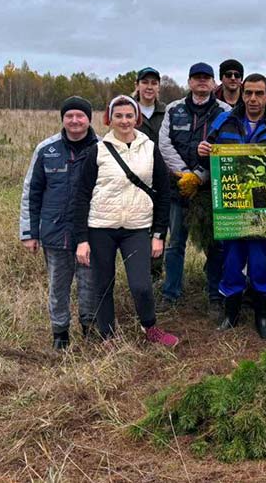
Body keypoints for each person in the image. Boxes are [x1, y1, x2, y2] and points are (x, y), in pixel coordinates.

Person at [198, 74, 266, 340]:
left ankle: (262, 316)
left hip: (263, 209)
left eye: (259, 93)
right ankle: (230, 314)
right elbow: (206, 155)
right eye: (249, 93)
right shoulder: (224, 121)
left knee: (260, 263)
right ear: (242, 95)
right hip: (231, 206)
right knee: (231, 262)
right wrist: (200, 151)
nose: (253, 99)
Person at [73, 95, 178, 346]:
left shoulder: (149, 148)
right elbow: (81, 196)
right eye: (118, 116)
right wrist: (82, 240)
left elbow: (164, 193)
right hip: (101, 228)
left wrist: (158, 235)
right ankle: (107, 335)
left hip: (137, 229)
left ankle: (150, 328)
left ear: (137, 118)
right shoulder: (97, 151)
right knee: (103, 284)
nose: (124, 121)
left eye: (129, 115)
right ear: (110, 118)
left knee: (141, 285)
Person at [19, 96, 99, 349]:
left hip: (91, 233)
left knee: (90, 285)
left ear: (89, 119)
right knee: (58, 287)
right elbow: (31, 192)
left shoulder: (103, 148)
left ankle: (90, 329)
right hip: (55, 233)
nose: (75, 121)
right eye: (69, 116)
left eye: (80, 116)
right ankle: (60, 334)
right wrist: (29, 233)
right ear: (63, 119)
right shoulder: (47, 150)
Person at [158, 63, 231, 308]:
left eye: (206, 78)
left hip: (210, 190)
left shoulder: (225, 111)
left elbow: (226, 149)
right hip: (178, 189)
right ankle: (171, 294)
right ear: (189, 82)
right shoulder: (173, 109)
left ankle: (215, 294)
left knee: (214, 245)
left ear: (213, 83)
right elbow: (165, 145)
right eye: (197, 78)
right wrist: (185, 175)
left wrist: (199, 176)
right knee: (176, 243)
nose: (202, 82)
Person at [133, 67, 166, 144]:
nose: (149, 87)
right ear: (137, 85)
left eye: (154, 83)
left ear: (158, 87)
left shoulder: (167, 112)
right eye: (145, 82)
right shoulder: (126, 112)